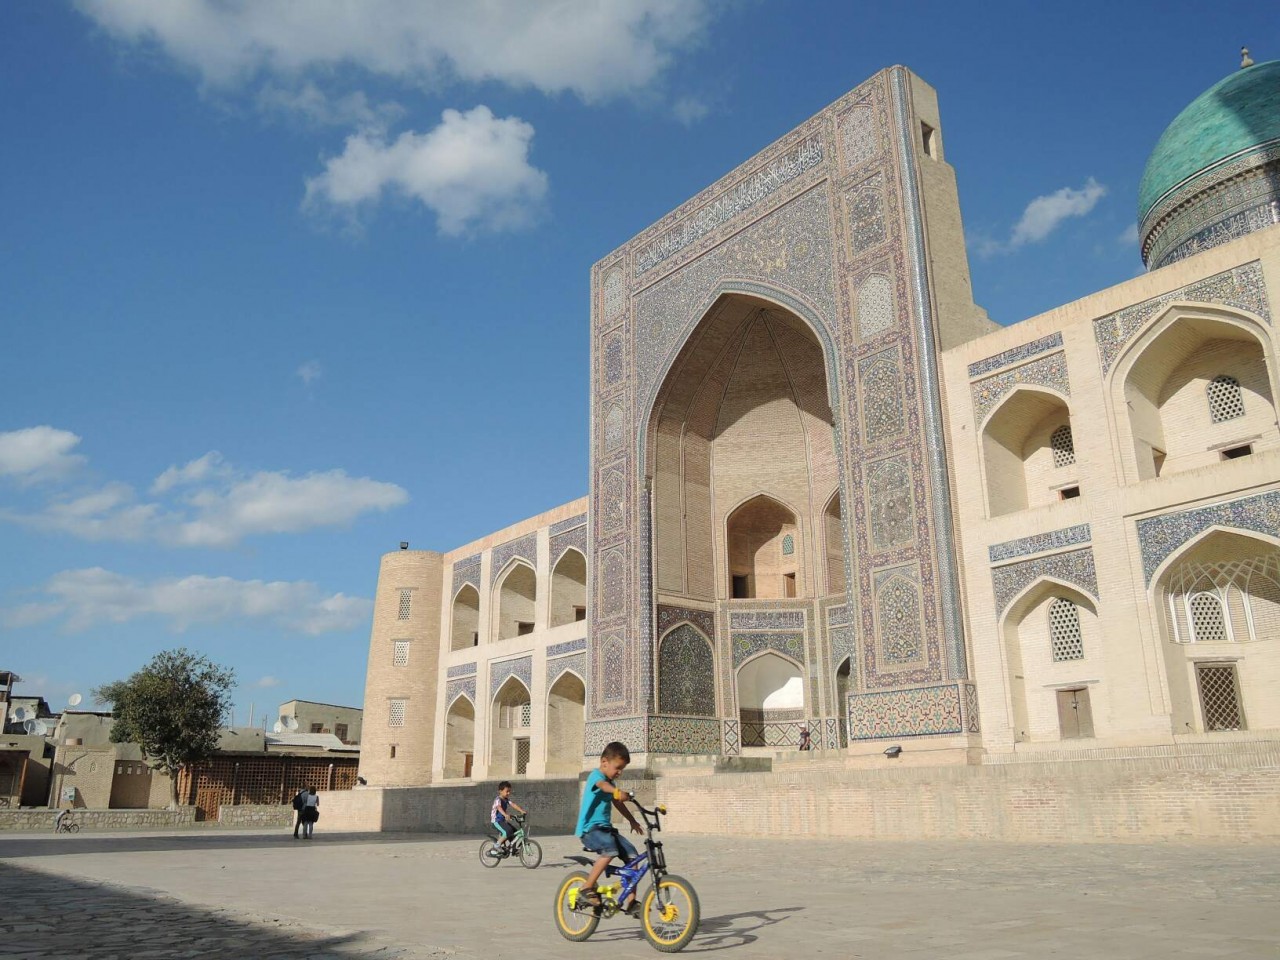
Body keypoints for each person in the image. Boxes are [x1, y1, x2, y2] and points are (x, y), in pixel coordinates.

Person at [575, 741, 643, 915]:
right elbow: (603, 786)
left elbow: (618, 803)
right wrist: (615, 791)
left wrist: (632, 820)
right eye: (617, 768)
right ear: (604, 762)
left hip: (606, 829)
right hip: (590, 829)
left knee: (633, 857)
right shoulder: (596, 777)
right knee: (610, 849)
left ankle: (632, 902)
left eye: (622, 769)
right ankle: (586, 887)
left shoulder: (610, 783)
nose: (619, 772)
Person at [489, 780, 527, 854]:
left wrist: (521, 811)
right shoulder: (498, 799)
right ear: (500, 791)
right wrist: (505, 815)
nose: (508, 793)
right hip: (496, 821)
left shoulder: (506, 800)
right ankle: (497, 846)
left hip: (502, 821)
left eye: (509, 791)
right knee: (507, 831)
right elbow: (499, 807)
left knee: (514, 832)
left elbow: (513, 805)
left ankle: (513, 849)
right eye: (507, 791)